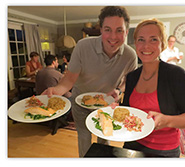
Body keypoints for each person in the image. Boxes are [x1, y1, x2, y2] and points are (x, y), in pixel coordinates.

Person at [42, 6, 138, 157]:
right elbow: (69, 80)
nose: (113, 36)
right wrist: (55, 91)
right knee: (84, 139)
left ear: (126, 32)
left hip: (106, 105)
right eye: (107, 29)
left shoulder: (130, 55)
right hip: (80, 103)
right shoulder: (83, 46)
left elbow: (128, 81)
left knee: (105, 139)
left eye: (119, 30)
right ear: (101, 29)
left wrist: (119, 90)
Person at [120, 18, 185, 157]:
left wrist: (167, 120)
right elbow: (128, 111)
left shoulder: (176, 75)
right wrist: (116, 107)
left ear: (162, 44)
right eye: (141, 39)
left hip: (164, 149)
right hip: (132, 142)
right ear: (136, 44)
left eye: (153, 39)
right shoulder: (132, 77)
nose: (146, 46)